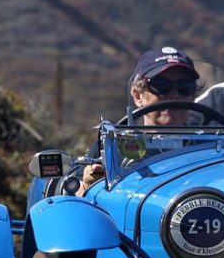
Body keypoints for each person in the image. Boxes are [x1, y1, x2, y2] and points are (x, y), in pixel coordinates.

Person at [78, 46, 200, 194]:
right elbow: (73, 191)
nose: (174, 95)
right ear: (137, 96)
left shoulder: (214, 144)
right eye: (161, 86)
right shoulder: (113, 143)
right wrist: (92, 185)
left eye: (185, 87)